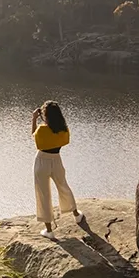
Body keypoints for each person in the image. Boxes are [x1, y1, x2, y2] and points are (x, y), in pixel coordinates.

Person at [31, 100, 83, 239]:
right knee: (63, 186)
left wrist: (34, 119)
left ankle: (49, 230)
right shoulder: (64, 129)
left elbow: (35, 139)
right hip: (56, 159)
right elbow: (64, 141)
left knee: (43, 193)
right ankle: (76, 215)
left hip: (42, 160)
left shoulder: (42, 129)